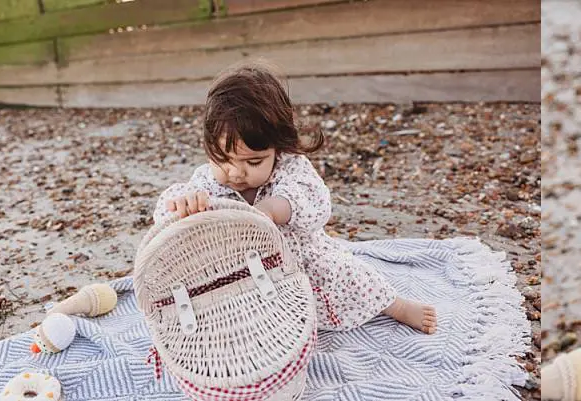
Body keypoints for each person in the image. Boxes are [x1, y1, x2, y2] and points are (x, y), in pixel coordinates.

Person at [154, 61, 437, 335]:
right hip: (249, 274)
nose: (236, 172)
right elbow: (169, 210)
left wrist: (273, 210)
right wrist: (185, 206)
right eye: (223, 159)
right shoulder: (206, 181)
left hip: (303, 260)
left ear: (278, 148)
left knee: (350, 274)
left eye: (253, 163)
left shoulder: (290, 167)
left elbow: (315, 200)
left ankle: (395, 306)